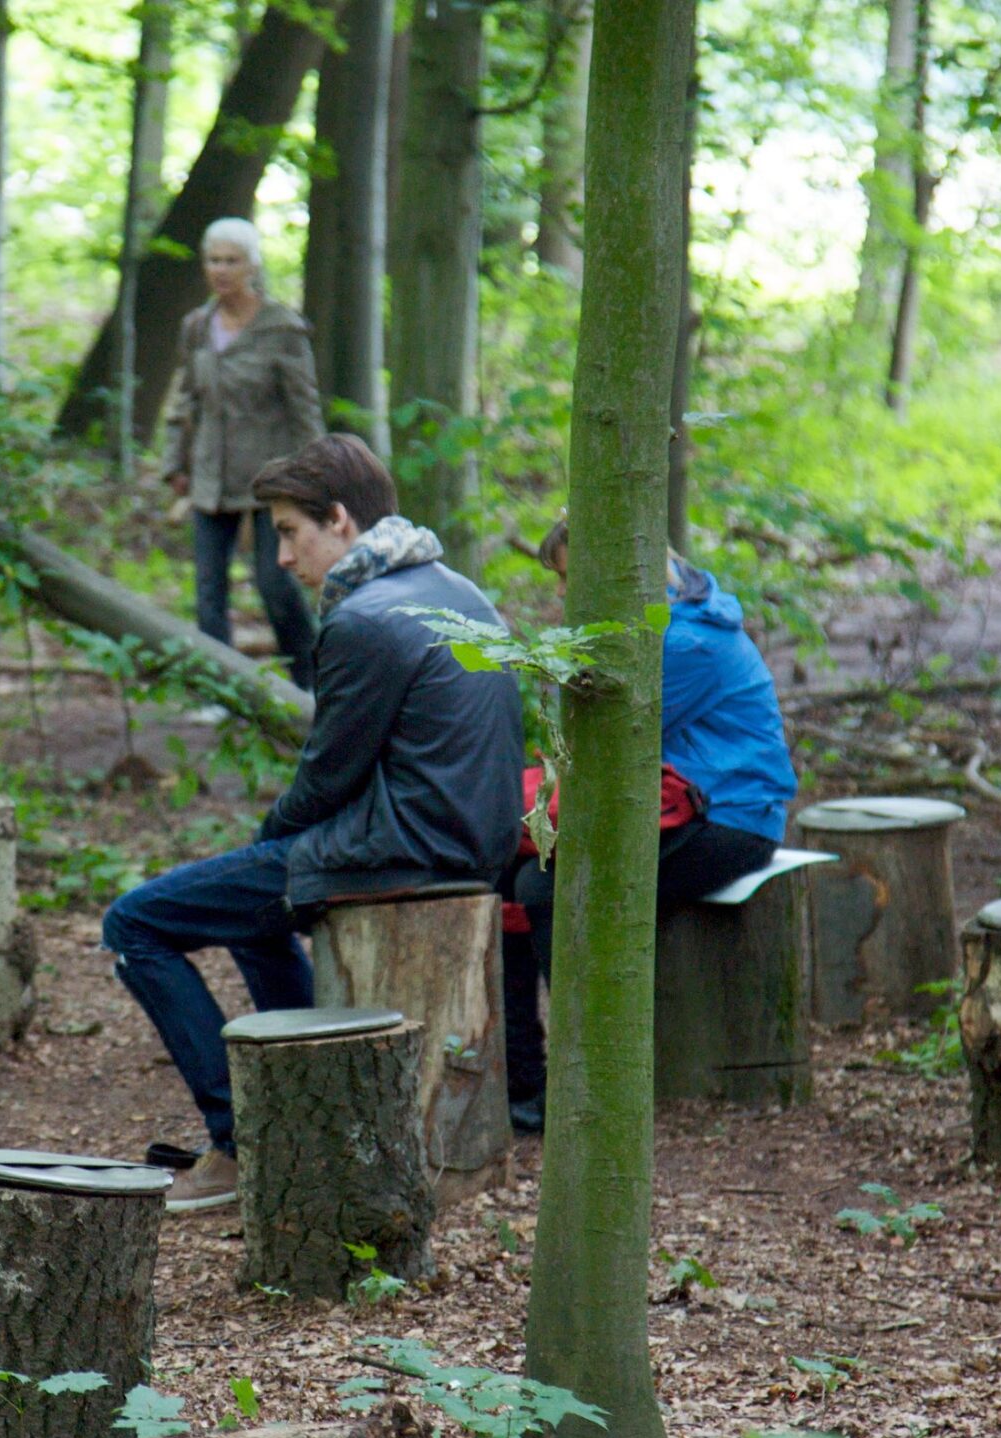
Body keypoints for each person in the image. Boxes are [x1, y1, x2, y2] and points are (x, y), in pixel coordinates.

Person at [104, 435, 525, 1210]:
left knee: (134, 923)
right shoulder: (456, 588)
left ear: (340, 520)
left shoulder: (366, 618)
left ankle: (238, 1140)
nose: (285, 559)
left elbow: (328, 775)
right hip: (459, 839)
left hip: (403, 848)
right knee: (249, 912)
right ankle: (299, 1101)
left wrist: (269, 838)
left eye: (292, 533)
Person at [501, 515, 798, 1134]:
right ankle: (522, 1078)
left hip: (731, 824)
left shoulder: (680, 644)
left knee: (544, 888)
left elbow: (595, 745)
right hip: (690, 810)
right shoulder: (663, 629)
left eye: (566, 580)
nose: (559, 597)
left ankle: (585, 1085)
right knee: (511, 873)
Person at [163, 217, 323, 689]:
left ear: (252, 265)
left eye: (231, 260)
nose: (221, 270)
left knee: (276, 586)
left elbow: (304, 404)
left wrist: (315, 470)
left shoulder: (282, 328)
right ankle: (221, 690)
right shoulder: (196, 327)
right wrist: (176, 464)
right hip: (210, 477)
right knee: (208, 591)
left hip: (271, 479)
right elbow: (185, 398)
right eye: (213, 260)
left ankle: (311, 686)